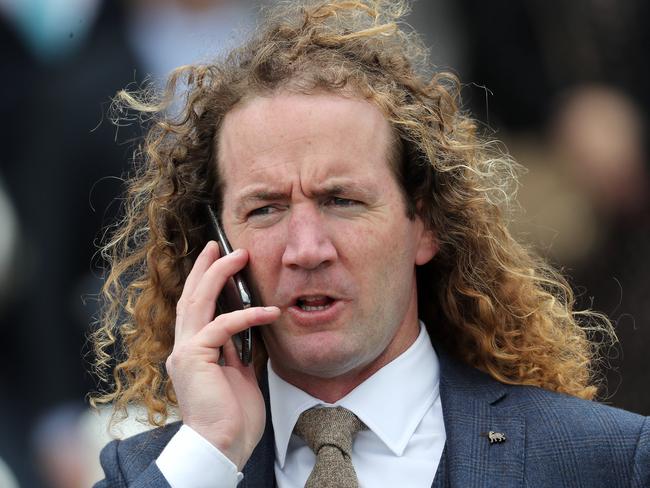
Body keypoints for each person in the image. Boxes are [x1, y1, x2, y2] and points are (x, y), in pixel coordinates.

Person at [91, 1, 649, 486]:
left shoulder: (604, 460)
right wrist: (211, 452)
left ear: (424, 224)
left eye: (342, 200)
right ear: (212, 246)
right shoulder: (164, 471)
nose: (306, 249)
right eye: (265, 209)